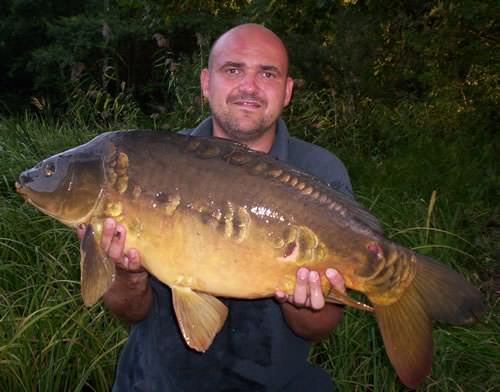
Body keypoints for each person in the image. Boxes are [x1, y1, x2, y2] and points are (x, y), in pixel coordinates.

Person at [77, 23, 353, 391]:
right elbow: (129, 313)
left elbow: (318, 329)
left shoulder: (319, 173)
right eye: (233, 69)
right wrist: (128, 276)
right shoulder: (150, 165)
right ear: (206, 82)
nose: (249, 87)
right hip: (155, 381)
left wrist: (303, 300)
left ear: (287, 91)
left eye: (267, 73)